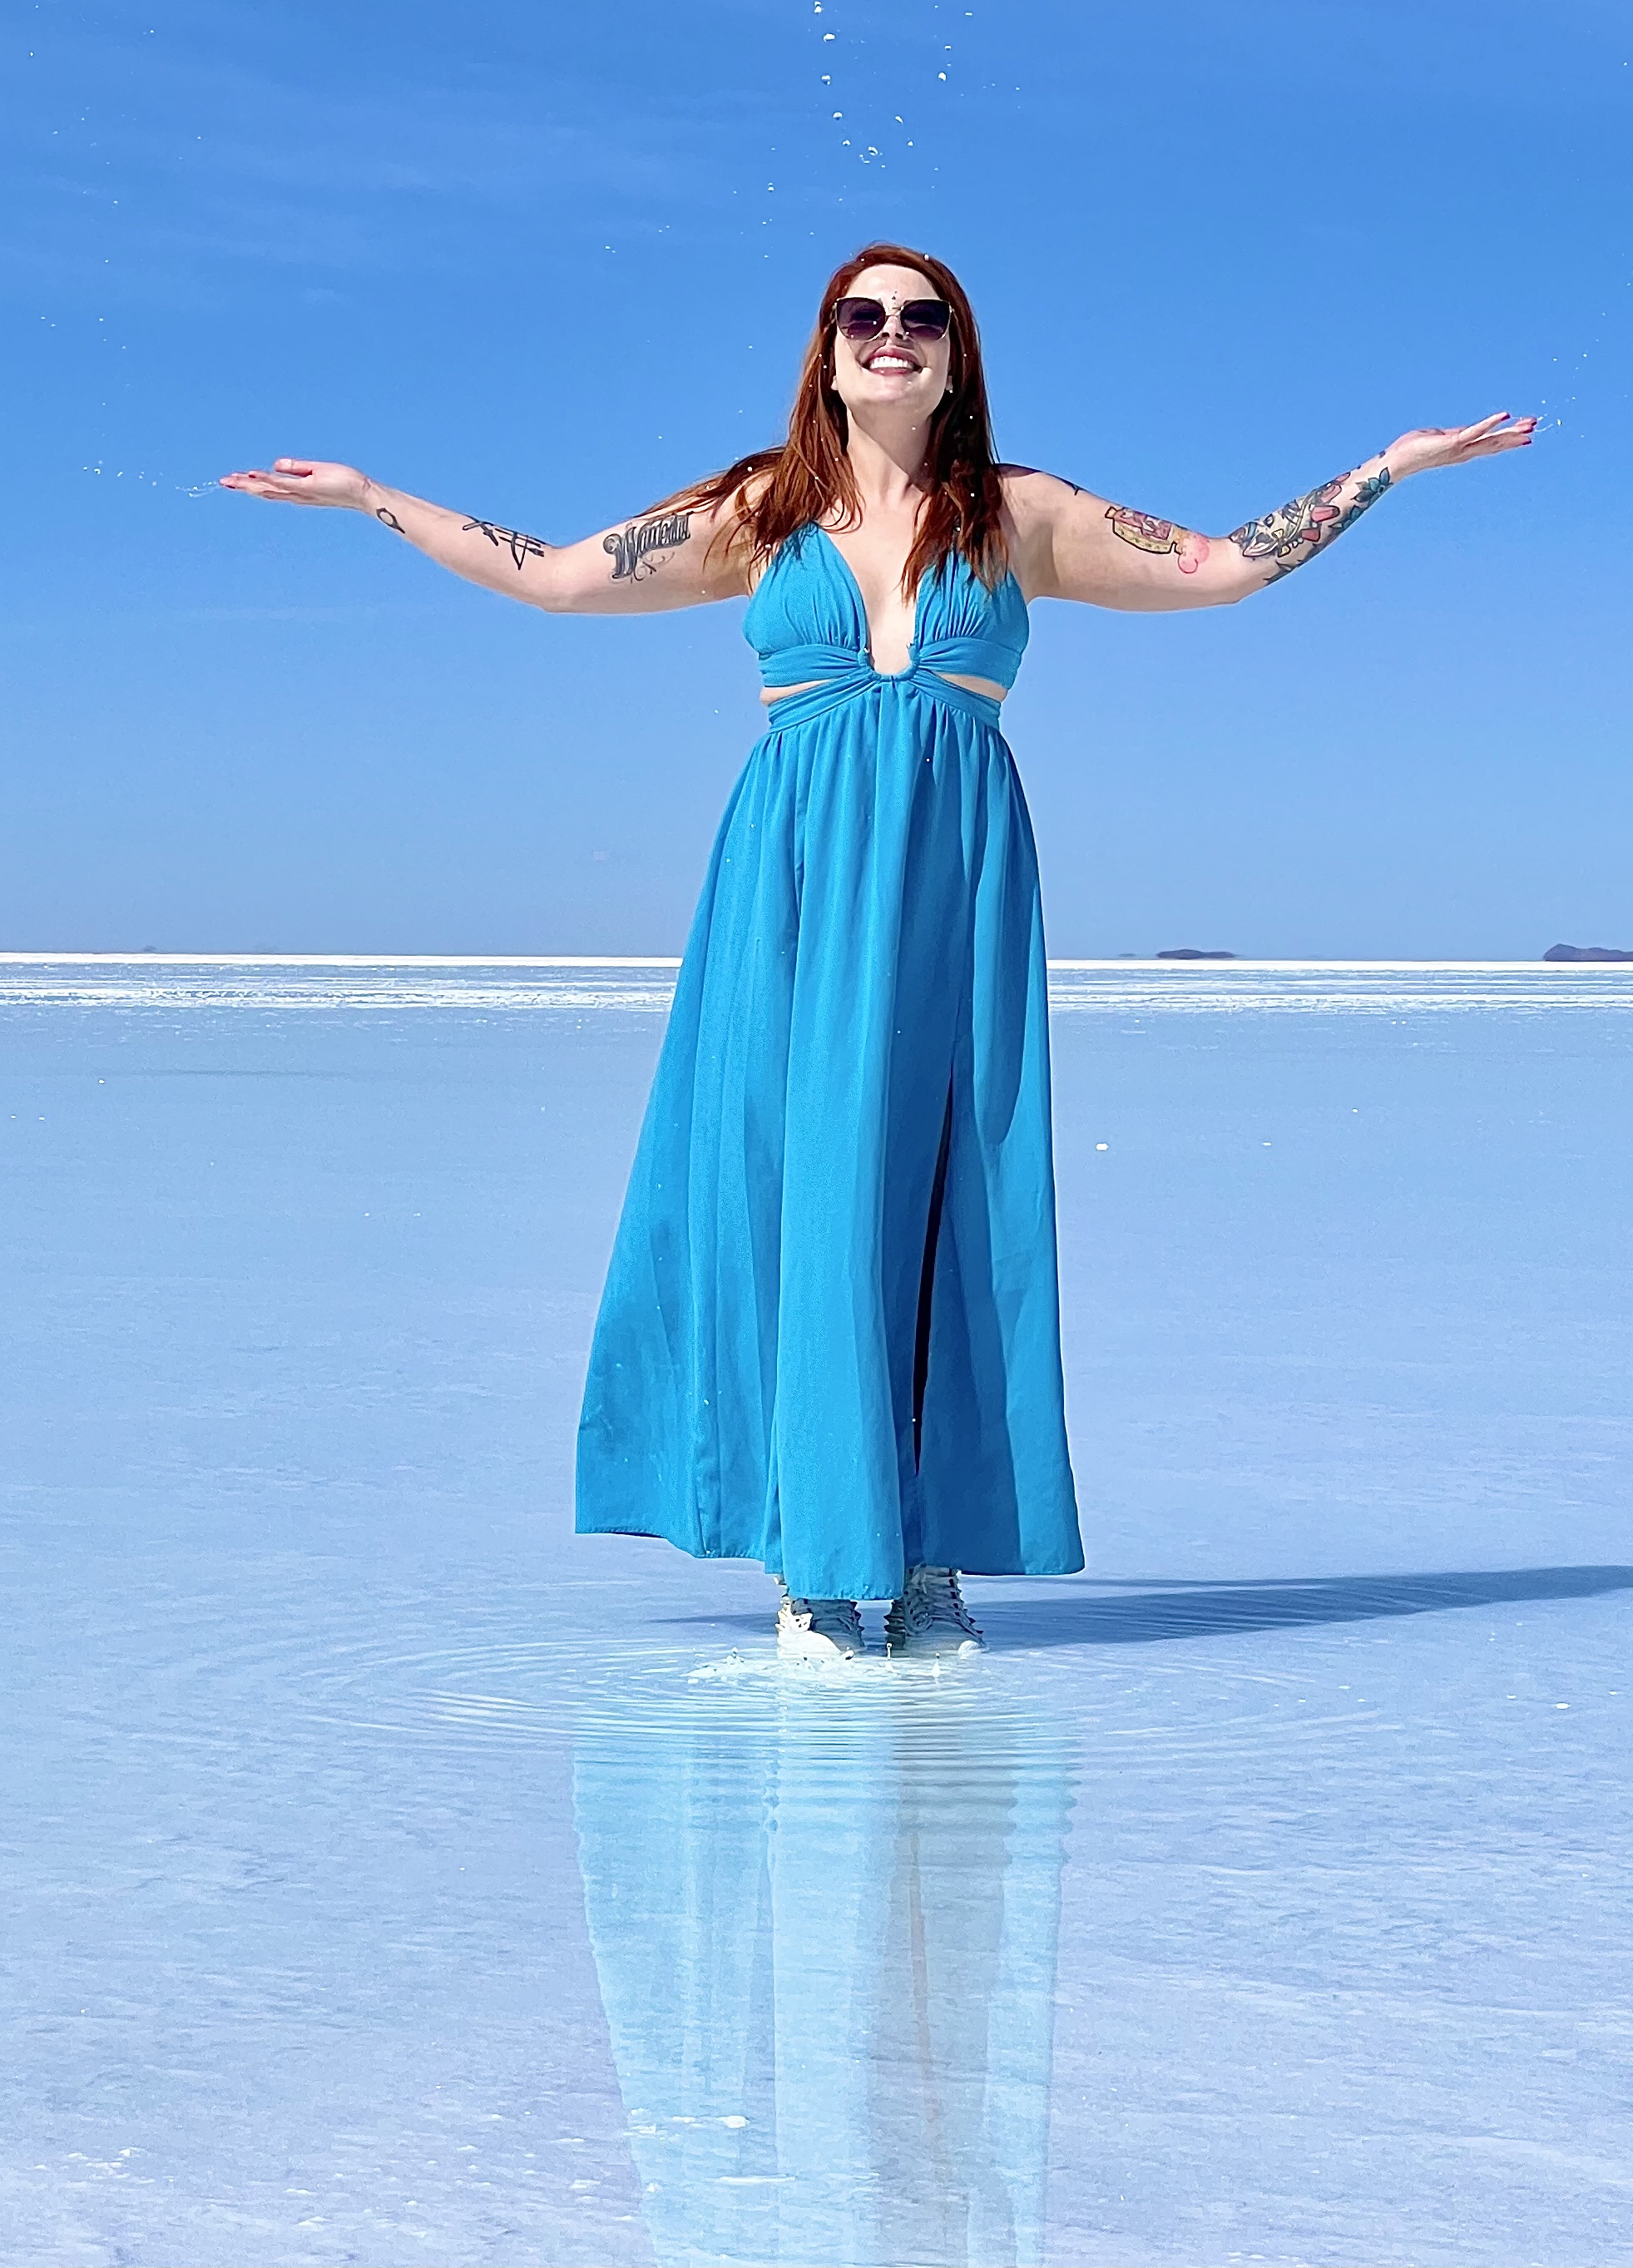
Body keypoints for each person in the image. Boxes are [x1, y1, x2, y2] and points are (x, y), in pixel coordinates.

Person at [224, 241, 1534, 1665]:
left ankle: (925, 1556)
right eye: (866, 315)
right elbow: (553, 575)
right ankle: (812, 1559)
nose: (892, 334)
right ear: (827, 346)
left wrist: (1386, 470)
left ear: (957, 352)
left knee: (948, 1199)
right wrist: (370, 499)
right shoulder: (756, 513)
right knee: (800, 1190)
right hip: (790, 889)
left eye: (924, 316)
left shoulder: (1021, 517)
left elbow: (1218, 568)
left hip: (955, 892)